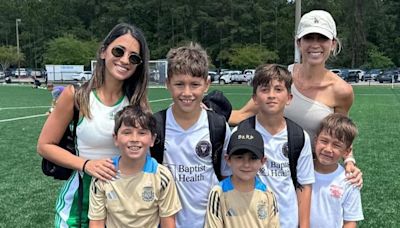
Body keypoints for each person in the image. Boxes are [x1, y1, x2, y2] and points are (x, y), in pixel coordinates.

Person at [229, 10, 363, 187]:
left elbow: (340, 134)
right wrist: (200, 109)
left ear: (332, 44)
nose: (315, 44)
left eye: (321, 38)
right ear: (298, 43)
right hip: (272, 172)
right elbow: (241, 115)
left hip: (311, 175)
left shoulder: (342, 91)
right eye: (309, 38)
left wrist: (350, 162)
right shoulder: (281, 80)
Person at [37, 22, 150, 228]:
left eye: (133, 57)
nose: (125, 60)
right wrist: (86, 164)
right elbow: (45, 145)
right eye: (118, 51)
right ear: (103, 51)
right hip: (79, 202)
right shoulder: (76, 96)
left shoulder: (137, 102)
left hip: (122, 203)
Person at [150, 43, 231, 228]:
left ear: (206, 85)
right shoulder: (155, 126)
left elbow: (227, 176)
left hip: (209, 222)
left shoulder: (217, 126)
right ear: (167, 84)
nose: (187, 93)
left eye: (194, 85)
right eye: (179, 84)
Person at [237, 64, 314, 227]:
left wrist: (304, 225)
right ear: (255, 98)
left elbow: (304, 185)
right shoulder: (240, 132)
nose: (271, 95)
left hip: (286, 221)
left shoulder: (299, 137)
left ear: (289, 98)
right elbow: (227, 178)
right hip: (247, 221)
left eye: (278, 89)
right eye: (265, 90)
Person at [88, 106, 181, 228]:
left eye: (142, 133)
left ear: (152, 139)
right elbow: (96, 222)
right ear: (115, 138)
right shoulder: (103, 175)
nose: (134, 139)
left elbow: (168, 223)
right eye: (127, 132)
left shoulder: (162, 177)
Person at [205, 127, 280, 228]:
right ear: (228, 159)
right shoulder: (218, 193)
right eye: (239, 157)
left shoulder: (268, 195)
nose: (246, 164)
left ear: (263, 161)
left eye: (253, 158)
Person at [311, 113, 364, 227]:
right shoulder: (301, 170)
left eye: (336, 145)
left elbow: (350, 221)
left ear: (346, 151)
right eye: (324, 141)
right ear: (315, 140)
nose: (328, 149)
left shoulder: (350, 180)